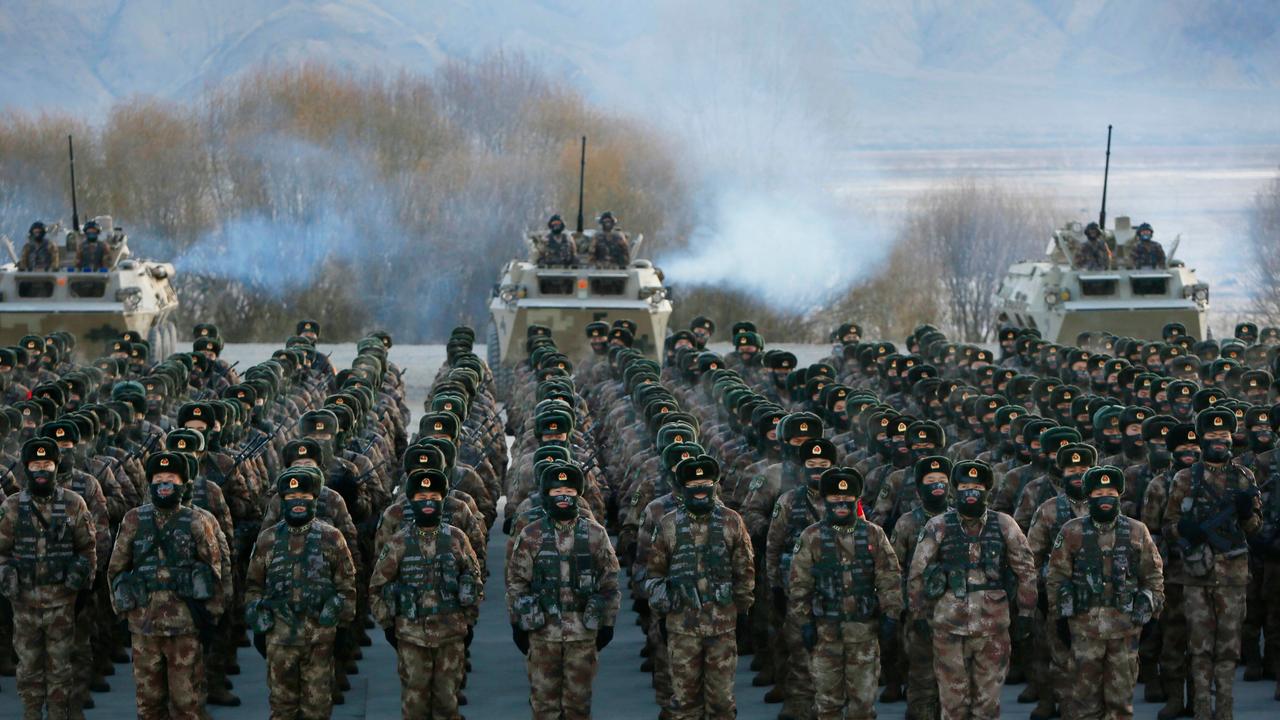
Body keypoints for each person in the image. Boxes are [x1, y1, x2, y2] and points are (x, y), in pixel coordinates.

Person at [907, 460, 1037, 720]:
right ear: (955, 489)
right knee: (953, 704)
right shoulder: (938, 525)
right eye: (965, 486)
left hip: (993, 628)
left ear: (986, 490)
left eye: (976, 486)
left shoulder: (1004, 524)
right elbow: (917, 573)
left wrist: (1026, 612)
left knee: (987, 705)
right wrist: (918, 614)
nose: (971, 492)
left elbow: (1026, 570)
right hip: (948, 628)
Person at [108, 451, 227, 720]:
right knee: (149, 705)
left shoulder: (197, 520)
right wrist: (125, 611)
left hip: (185, 626)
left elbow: (214, 570)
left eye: (171, 478)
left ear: (183, 483)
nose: (164, 484)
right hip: (144, 627)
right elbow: (116, 569)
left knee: (186, 704)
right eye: (159, 478)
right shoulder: (133, 520)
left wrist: (209, 620)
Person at [1162, 408, 1261, 720]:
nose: (1219, 441)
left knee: (1229, 648)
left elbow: (1254, 527)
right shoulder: (1184, 478)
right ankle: (1203, 708)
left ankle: (1226, 709)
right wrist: (1184, 530)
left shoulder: (1244, 477)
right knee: (1200, 647)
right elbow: (1167, 526)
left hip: (1232, 574)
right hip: (1196, 575)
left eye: (1224, 436)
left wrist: (1246, 514)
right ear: (1201, 439)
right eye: (1212, 436)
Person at [1046, 465, 1164, 720]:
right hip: (1084, 629)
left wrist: (1153, 616)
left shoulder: (1136, 530)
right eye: (1098, 493)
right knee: (1084, 702)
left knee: (1120, 703)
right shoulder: (1071, 531)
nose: (1105, 498)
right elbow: (1056, 577)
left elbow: (1153, 576)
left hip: (1125, 628)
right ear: (1089, 497)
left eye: (1110, 492)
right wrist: (1059, 620)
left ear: (1119, 495)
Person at [787, 467, 903, 720]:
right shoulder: (811, 536)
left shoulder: (873, 533)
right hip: (824, 633)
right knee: (828, 704)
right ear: (825, 500)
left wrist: (891, 615)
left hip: (864, 632)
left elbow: (889, 577)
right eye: (835, 499)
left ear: (856, 500)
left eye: (847, 499)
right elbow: (799, 584)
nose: (841, 503)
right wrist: (804, 623)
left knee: (863, 705)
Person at [507, 461, 620, 720]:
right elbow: (516, 582)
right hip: (542, 633)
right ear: (546, 495)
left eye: (569, 492)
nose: (563, 498)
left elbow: (610, 582)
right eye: (557, 493)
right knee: (544, 706)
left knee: (578, 706)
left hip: (583, 634)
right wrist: (518, 622)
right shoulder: (531, 534)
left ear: (578, 495)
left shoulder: (595, 534)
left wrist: (607, 622)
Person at [645, 454, 755, 720]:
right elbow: (655, 574)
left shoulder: (731, 521)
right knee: (685, 702)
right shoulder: (668, 525)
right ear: (683, 489)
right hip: (682, 627)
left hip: (722, 626)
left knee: (721, 702)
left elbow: (745, 570)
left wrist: (742, 610)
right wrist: (662, 612)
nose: (700, 489)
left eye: (705, 483)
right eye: (693, 484)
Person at [244, 467, 357, 720]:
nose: (298, 503)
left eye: (305, 498)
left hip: (319, 640)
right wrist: (258, 617)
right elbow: (253, 586)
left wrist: (341, 623)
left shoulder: (331, 537)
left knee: (317, 709)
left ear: (315, 500)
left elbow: (346, 587)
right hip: (279, 640)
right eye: (292, 498)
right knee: (282, 708)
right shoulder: (268, 539)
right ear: (283, 501)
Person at [370, 468, 482, 719]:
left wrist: (468, 620)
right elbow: (377, 587)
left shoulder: (456, 539)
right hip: (411, 637)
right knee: (415, 704)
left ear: (443, 499)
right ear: (411, 501)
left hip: (450, 636)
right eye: (421, 497)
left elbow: (474, 581)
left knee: (447, 703)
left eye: (434, 496)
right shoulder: (398, 542)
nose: (428, 502)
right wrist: (388, 624)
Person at [0, 438, 96, 720]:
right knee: (28, 667)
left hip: (61, 603)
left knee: (60, 668)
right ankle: (31, 715)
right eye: (35, 465)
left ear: (56, 466)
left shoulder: (73, 504)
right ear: (27, 469)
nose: (41, 470)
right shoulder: (13, 507)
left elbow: (87, 548)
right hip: (24, 603)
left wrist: (80, 580)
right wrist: (7, 578)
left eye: (47, 464)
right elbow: (1, 551)